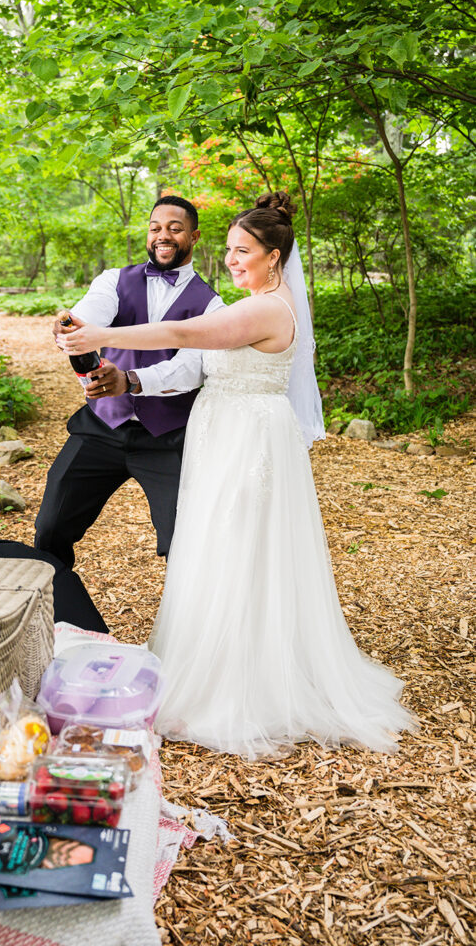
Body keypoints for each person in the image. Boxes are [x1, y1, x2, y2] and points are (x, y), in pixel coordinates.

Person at [58, 192, 415, 757]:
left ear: (274, 256)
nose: (231, 260)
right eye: (228, 249)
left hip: (250, 442)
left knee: (240, 547)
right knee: (213, 545)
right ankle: (210, 657)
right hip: (222, 436)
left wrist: (103, 339)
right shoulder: (249, 300)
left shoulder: (268, 308)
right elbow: (191, 362)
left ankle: (242, 682)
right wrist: (115, 360)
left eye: (242, 250)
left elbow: (186, 336)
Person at [34, 196, 224, 599]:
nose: (163, 235)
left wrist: (131, 380)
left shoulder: (212, 305)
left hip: (167, 436)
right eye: (156, 227)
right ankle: (57, 616)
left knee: (183, 542)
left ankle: (185, 635)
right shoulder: (112, 280)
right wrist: (72, 328)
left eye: (174, 227)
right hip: (102, 425)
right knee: (51, 526)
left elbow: (191, 369)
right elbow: (90, 317)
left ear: (194, 236)